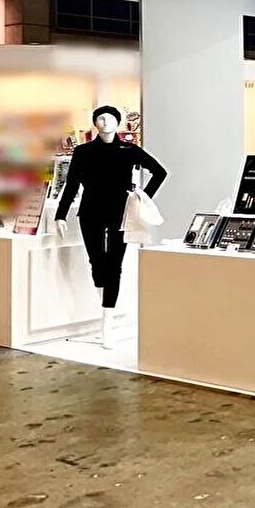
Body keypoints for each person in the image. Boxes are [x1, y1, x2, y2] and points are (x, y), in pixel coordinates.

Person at [54, 105, 167, 349]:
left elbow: (160, 172)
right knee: (97, 262)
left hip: (121, 213)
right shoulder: (83, 152)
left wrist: (142, 197)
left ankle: (108, 322)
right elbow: (72, 185)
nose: (105, 122)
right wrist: (60, 215)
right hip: (90, 212)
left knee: (114, 264)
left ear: (118, 122)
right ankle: (104, 311)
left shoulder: (128, 150)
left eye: (110, 118)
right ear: (95, 123)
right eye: (100, 118)